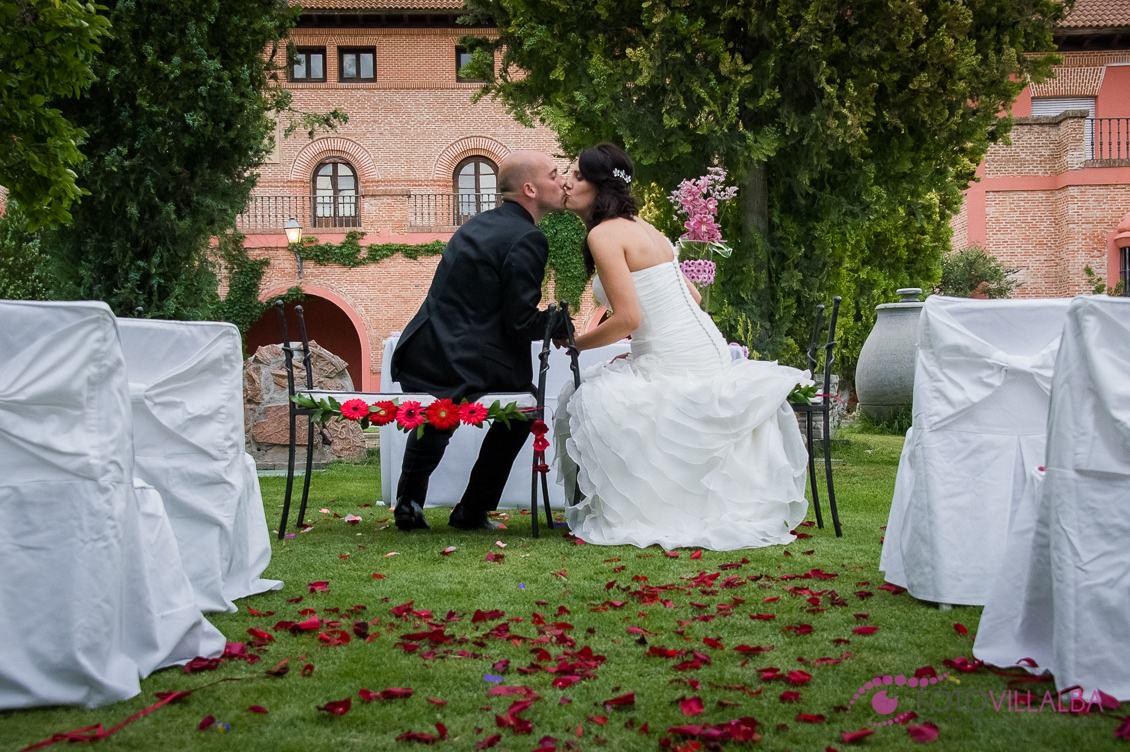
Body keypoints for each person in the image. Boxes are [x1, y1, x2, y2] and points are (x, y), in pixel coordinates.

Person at [553, 143, 812, 550]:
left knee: (584, 398)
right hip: (703, 346)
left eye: (578, 175)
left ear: (599, 186)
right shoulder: (646, 228)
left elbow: (628, 319)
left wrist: (574, 344)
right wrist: (642, 349)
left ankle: (624, 506)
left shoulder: (604, 234)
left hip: (675, 357)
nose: (567, 181)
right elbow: (689, 297)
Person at [390, 150, 566, 531]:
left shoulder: (475, 225)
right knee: (525, 409)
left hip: (425, 350)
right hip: (468, 360)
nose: (563, 180)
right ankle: (472, 510)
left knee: (439, 412)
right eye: (554, 175)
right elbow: (519, 321)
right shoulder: (528, 237)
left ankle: (408, 502)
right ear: (530, 189)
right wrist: (557, 323)